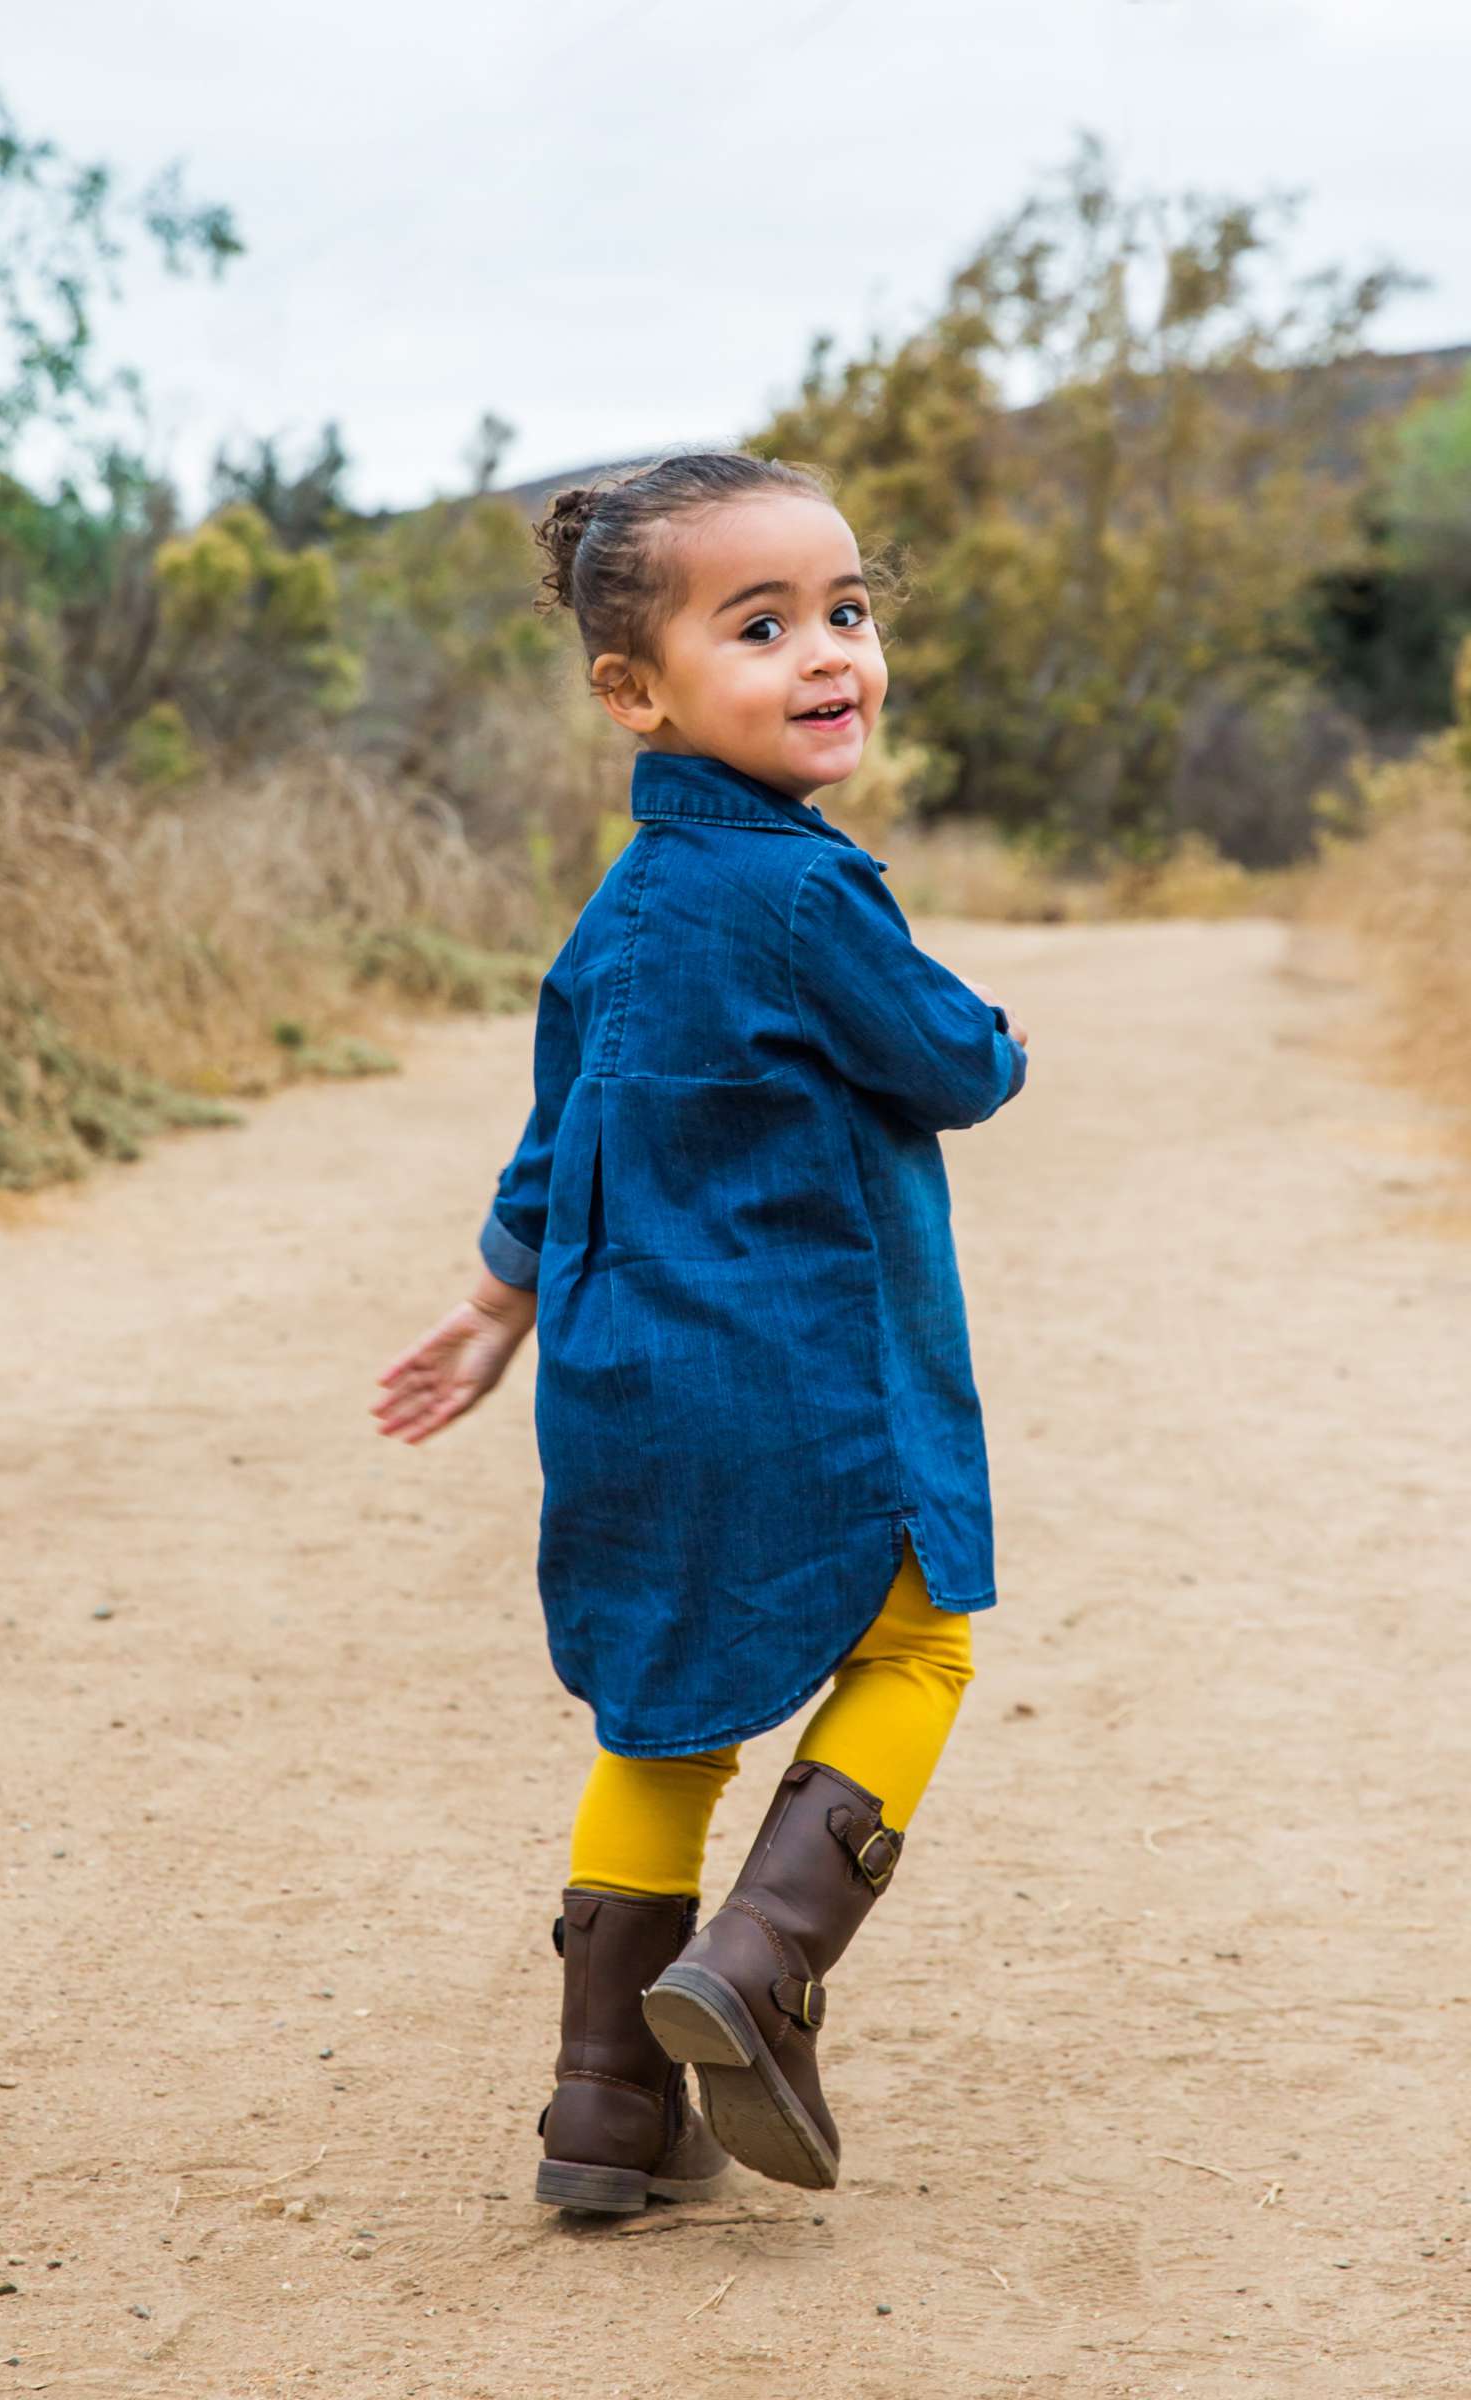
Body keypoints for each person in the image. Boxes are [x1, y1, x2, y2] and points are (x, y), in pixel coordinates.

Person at [372, 451, 1028, 2214]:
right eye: (764, 626)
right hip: (804, 1383)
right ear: (635, 689)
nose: (830, 653)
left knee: (659, 1722)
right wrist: (999, 1022)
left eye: (848, 610)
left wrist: (497, 1302)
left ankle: (604, 2110)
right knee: (921, 1648)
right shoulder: (811, 896)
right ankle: (761, 1960)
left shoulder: (619, 912)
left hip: (623, 1385)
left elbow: (553, 1131)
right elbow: (957, 1066)